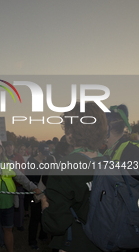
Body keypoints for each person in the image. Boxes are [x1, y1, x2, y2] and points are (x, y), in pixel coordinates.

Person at [41, 102, 107, 252]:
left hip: (77, 243)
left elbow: (55, 224)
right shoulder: (110, 163)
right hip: (107, 242)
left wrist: (44, 208)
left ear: (70, 134)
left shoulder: (64, 167)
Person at [0, 137, 41, 252]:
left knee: (8, 230)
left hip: (8, 204)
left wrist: (34, 187)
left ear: (2, 149)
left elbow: (22, 178)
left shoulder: (10, 163)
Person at [26, 142, 50, 250]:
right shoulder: (31, 161)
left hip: (44, 193)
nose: (45, 155)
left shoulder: (47, 161)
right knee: (35, 217)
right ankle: (32, 240)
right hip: (34, 194)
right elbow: (27, 178)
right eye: (44, 153)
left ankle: (43, 235)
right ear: (39, 151)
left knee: (44, 214)